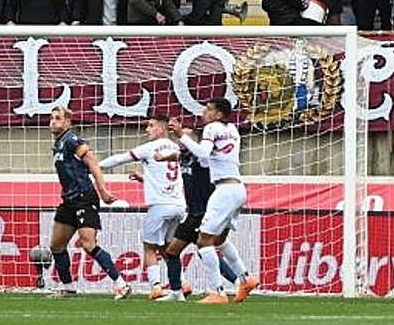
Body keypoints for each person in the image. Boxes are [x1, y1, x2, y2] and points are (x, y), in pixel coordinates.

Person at [173, 97, 259, 304]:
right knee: (219, 240)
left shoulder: (211, 128)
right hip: (238, 188)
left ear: (219, 114)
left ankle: (217, 292)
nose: (204, 112)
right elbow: (207, 158)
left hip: (225, 190)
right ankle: (245, 279)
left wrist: (181, 135)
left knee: (203, 241)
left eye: (209, 109)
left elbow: (202, 152)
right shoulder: (232, 129)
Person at [44, 105, 130, 298]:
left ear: (67, 122)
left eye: (58, 118)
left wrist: (103, 190)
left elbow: (91, 160)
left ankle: (121, 284)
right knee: (57, 245)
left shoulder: (72, 140)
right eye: (52, 118)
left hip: (84, 197)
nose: (53, 122)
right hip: (68, 200)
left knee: (89, 244)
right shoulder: (58, 144)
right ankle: (68, 287)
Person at [102, 115, 185, 299]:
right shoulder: (176, 147)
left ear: (162, 129)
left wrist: (94, 166)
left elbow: (119, 159)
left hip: (160, 205)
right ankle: (181, 284)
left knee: (149, 247)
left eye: (151, 125)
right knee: (169, 249)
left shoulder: (149, 147)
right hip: (179, 205)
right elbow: (164, 176)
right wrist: (143, 179)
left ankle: (156, 287)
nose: (147, 129)